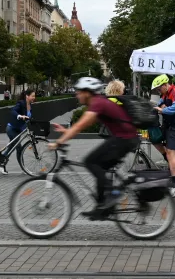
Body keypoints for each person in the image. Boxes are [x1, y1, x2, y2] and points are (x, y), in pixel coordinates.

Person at [52, 77, 140, 219]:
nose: (77, 94)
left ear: (87, 92)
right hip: (125, 138)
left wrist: (58, 142)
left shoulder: (98, 103)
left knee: (90, 161)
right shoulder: (98, 102)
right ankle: (101, 208)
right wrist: (65, 132)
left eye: (79, 91)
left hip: (124, 139)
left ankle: (113, 195)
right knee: (99, 167)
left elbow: (79, 126)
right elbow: (82, 125)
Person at [152, 74, 175, 197]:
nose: (158, 91)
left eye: (159, 88)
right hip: (169, 125)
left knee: (171, 153)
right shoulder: (165, 94)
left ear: (165, 85)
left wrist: (163, 110)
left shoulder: (174, 91)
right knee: (155, 139)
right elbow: (160, 103)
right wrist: (157, 107)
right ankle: (169, 161)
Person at [0, 88, 37, 174]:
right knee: (18, 147)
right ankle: (22, 168)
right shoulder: (21, 103)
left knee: (11, 146)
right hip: (12, 128)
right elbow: (13, 111)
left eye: (34, 96)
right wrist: (19, 116)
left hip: (19, 129)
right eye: (32, 96)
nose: (34, 98)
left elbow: (28, 119)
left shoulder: (30, 106)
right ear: (27, 96)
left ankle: (1, 163)